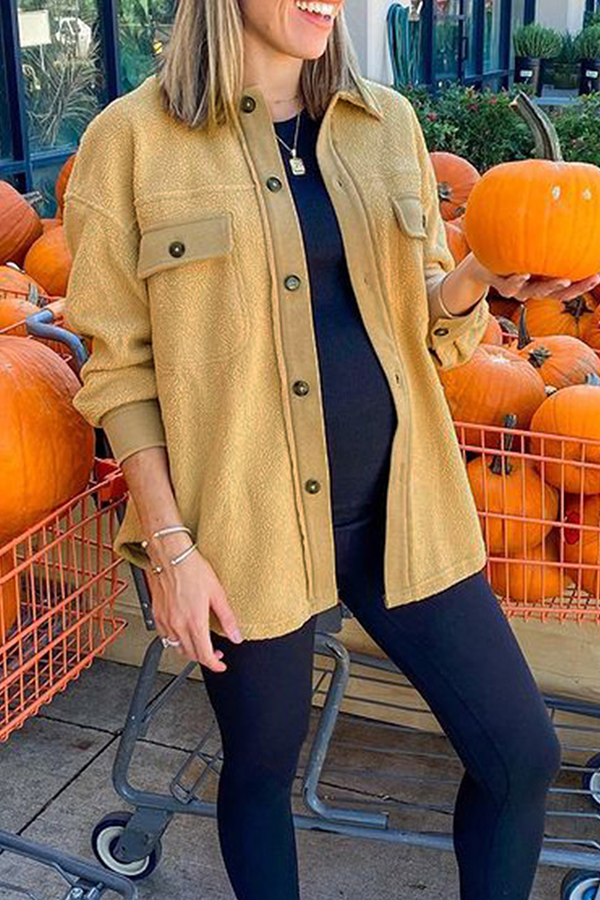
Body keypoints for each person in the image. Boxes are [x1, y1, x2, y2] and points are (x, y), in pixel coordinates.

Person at [63, 1, 600, 897]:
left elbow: (429, 325)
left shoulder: (386, 123)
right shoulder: (131, 142)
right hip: (247, 529)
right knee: (260, 768)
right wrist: (171, 549)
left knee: (520, 754)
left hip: (404, 508)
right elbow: (120, 372)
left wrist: (481, 277)